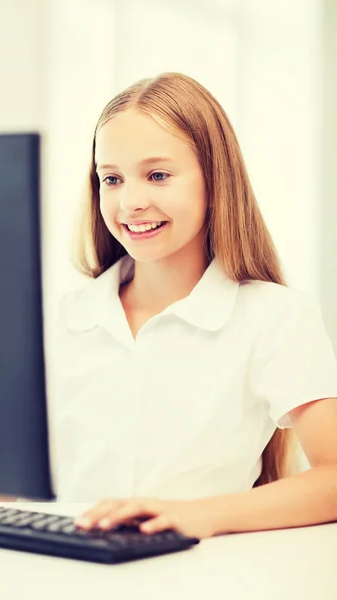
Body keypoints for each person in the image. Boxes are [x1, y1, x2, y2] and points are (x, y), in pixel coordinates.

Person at [50, 72, 337, 539]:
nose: (131, 202)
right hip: (64, 573)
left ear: (215, 179)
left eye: (158, 175)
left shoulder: (276, 317)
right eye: (112, 179)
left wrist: (197, 516)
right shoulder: (62, 319)